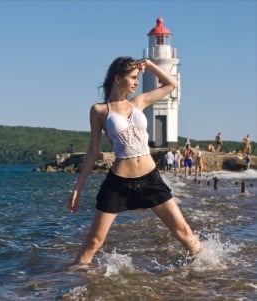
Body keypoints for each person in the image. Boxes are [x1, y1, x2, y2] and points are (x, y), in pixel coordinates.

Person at [67, 57, 201, 264]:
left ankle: (212, 271)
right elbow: (93, 151)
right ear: (117, 77)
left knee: (184, 233)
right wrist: (78, 188)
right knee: (93, 242)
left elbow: (171, 84)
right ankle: (70, 286)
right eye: (132, 77)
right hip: (118, 183)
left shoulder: (139, 102)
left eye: (138, 78)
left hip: (151, 180)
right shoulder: (100, 110)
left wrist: (151, 65)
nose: (136, 82)